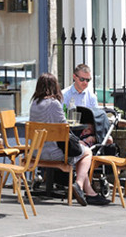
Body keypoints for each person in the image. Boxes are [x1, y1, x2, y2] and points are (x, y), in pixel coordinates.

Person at [29, 73, 110, 206]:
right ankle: (78, 184)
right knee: (86, 152)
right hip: (54, 153)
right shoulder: (54, 104)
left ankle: (90, 193)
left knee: (79, 151)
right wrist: (78, 142)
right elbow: (64, 129)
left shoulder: (34, 104)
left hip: (36, 151)